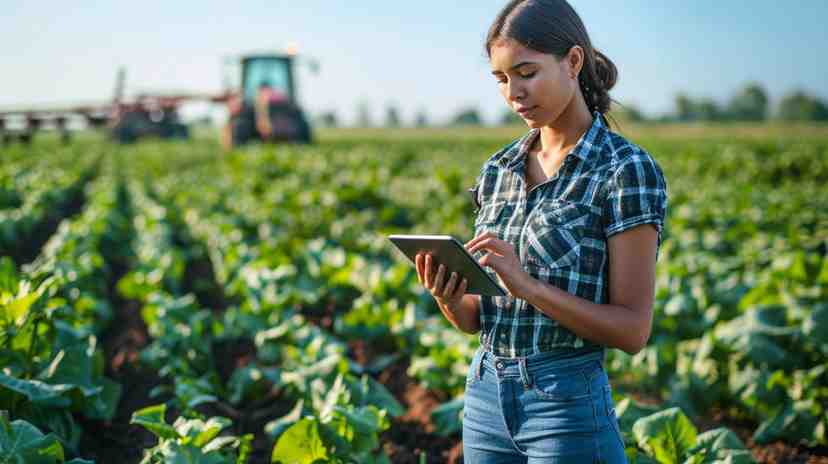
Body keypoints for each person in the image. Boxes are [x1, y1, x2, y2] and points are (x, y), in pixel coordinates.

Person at [414, 1, 668, 462]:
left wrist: (527, 286)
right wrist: (448, 295)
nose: (514, 92)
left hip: (566, 405)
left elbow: (632, 330)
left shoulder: (624, 169)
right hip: (485, 396)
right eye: (501, 79)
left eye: (526, 73)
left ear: (573, 62)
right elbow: (476, 320)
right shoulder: (498, 169)